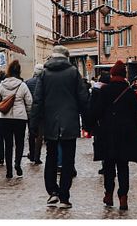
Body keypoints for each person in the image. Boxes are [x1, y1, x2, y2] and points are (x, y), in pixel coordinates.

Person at [29, 45, 89, 209]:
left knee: (51, 157)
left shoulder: (44, 74)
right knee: (68, 160)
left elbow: (38, 100)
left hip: (50, 123)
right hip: (70, 122)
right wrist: (88, 122)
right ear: (66, 57)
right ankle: (64, 196)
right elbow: (83, 99)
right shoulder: (73, 72)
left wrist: (33, 124)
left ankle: (52, 192)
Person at [90, 61, 137, 211]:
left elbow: (96, 112)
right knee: (123, 166)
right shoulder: (130, 93)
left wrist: (93, 127)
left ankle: (108, 194)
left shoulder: (105, 91)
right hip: (125, 135)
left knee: (108, 166)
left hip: (107, 134)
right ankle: (123, 197)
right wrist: (135, 132)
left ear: (113, 74)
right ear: (124, 75)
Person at [0, 60, 33, 179]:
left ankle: (9, 170)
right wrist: (28, 115)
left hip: (5, 118)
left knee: (8, 144)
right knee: (19, 143)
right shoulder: (22, 85)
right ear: (19, 71)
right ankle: (17, 163)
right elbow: (29, 102)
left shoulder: (2, 84)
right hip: (20, 118)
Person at [25, 64, 45, 165]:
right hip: (41, 112)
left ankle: (32, 154)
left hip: (30, 112)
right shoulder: (44, 82)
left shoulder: (28, 82)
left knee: (31, 133)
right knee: (40, 135)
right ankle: (37, 156)